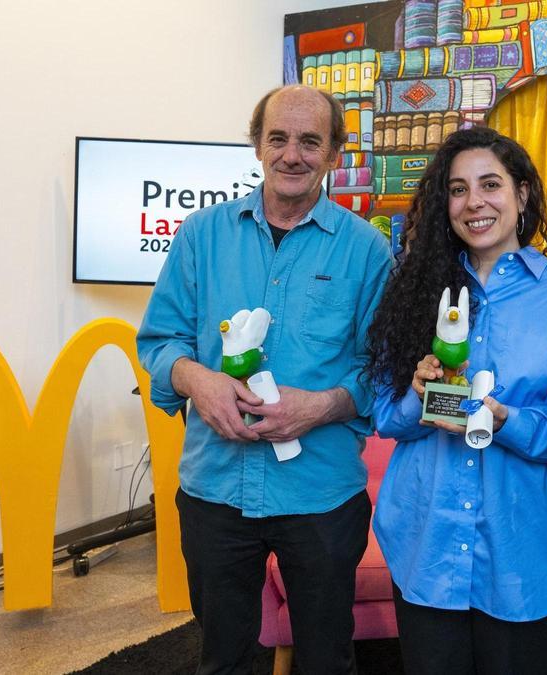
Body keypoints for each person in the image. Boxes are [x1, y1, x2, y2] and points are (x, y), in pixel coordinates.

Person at [136, 85, 393, 675]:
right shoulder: (201, 235)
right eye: (278, 138)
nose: (291, 155)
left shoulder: (367, 251)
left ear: (334, 154)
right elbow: (160, 340)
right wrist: (196, 380)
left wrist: (321, 406)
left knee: (327, 661)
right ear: (257, 145)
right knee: (222, 660)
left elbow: (383, 370)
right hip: (214, 491)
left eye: (310, 142)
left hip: (321, 496)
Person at [366, 126, 547, 675]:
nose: (474, 201)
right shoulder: (414, 287)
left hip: (526, 552)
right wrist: (418, 394)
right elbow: (385, 416)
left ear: (522, 194)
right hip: (427, 546)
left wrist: (507, 421)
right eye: (458, 189)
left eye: (490, 184)